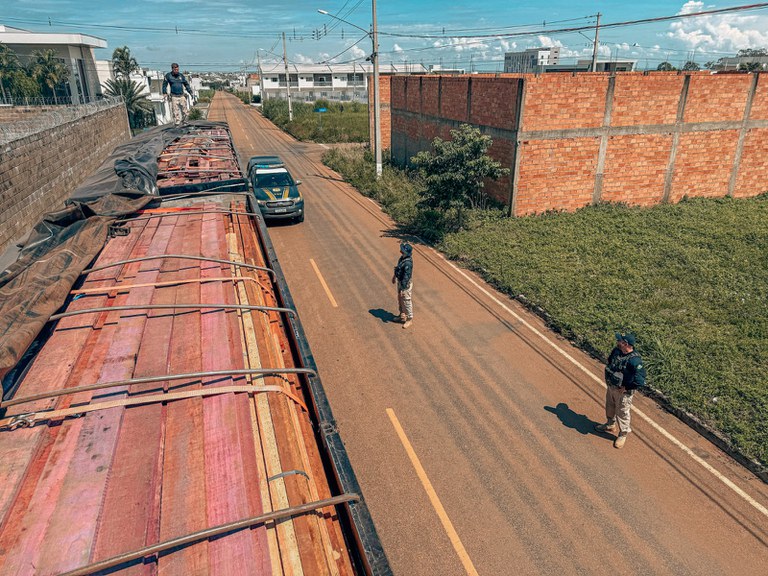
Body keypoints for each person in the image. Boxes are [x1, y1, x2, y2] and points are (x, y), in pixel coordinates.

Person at [594, 332, 646, 449]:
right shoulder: (617, 351)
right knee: (610, 406)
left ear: (625, 344)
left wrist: (626, 388)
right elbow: (610, 361)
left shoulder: (635, 361)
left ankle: (623, 434)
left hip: (623, 392)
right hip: (612, 386)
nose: (617, 342)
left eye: (620, 341)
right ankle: (610, 424)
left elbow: (640, 380)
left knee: (622, 412)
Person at [391, 242, 413, 329]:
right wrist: (394, 277)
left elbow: (406, 277)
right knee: (400, 299)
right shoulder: (402, 258)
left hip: (405, 284)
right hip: (400, 281)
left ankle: (409, 319)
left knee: (406, 300)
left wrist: (403, 289)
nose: (400, 250)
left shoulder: (408, 263)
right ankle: (402, 315)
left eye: (402, 249)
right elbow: (398, 268)